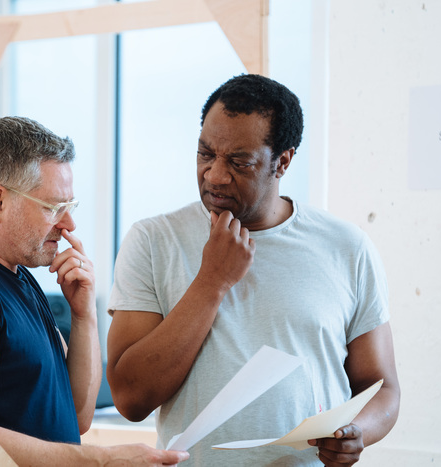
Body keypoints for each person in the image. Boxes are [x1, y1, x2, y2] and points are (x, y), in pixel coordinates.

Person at [106, 74, 400, 466]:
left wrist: (357, 431)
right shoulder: (153, 240)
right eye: (205, 154)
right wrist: (212, 282)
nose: (215, 175)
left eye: (239, 161)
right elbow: (130, 398)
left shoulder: (347, 246)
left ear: (283, 161)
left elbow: (383, 388)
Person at [0, 116, 189, 467]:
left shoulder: (17, 277)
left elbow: (77, 416)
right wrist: (103, 461)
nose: (69, 224)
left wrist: (84, 316)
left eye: (70, 206)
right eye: (53, 207)